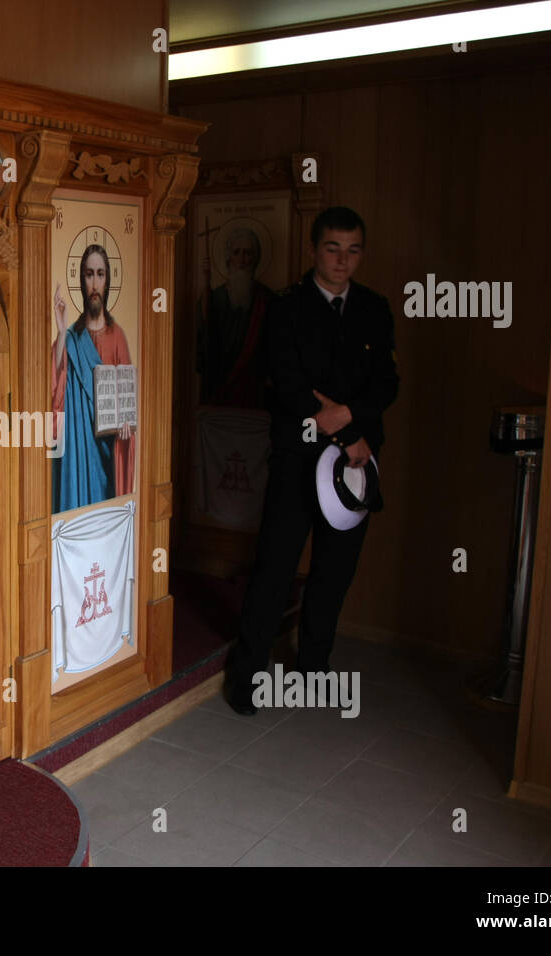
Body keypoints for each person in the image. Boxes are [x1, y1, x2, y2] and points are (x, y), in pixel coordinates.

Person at [225, 206, 399, 715]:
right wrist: (345, 426)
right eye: (332, 249)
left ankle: (313, 669)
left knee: (334, 570)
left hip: (358, 460)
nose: (343, 261)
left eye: (353, 250)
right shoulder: (285, 307)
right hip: (299, 455)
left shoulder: (374, 308)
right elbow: (288, 382)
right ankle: (247, 678)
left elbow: (388, 382)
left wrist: (352, 420)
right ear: (313, 250)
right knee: (275, 567)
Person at [51, 244, 135, 512]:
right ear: (82, 280)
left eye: (100, 274)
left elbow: (127, 397)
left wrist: (126, 423)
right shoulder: (73, 337)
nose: (95, 282)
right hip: (77, 450)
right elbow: (55, 388)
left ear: (108, 280)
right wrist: (62, 331)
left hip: (106, 448)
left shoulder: (117, 336)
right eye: (89, 274)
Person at [198, 227, 273, 407]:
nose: (242, 260)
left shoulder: (267, 299)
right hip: (220, 384)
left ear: (255, 259)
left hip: (253, 386)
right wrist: (206, 283)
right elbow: (205, 339)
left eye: (247, 253)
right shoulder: (215, 297)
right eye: (236, 252)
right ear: (228, 258)